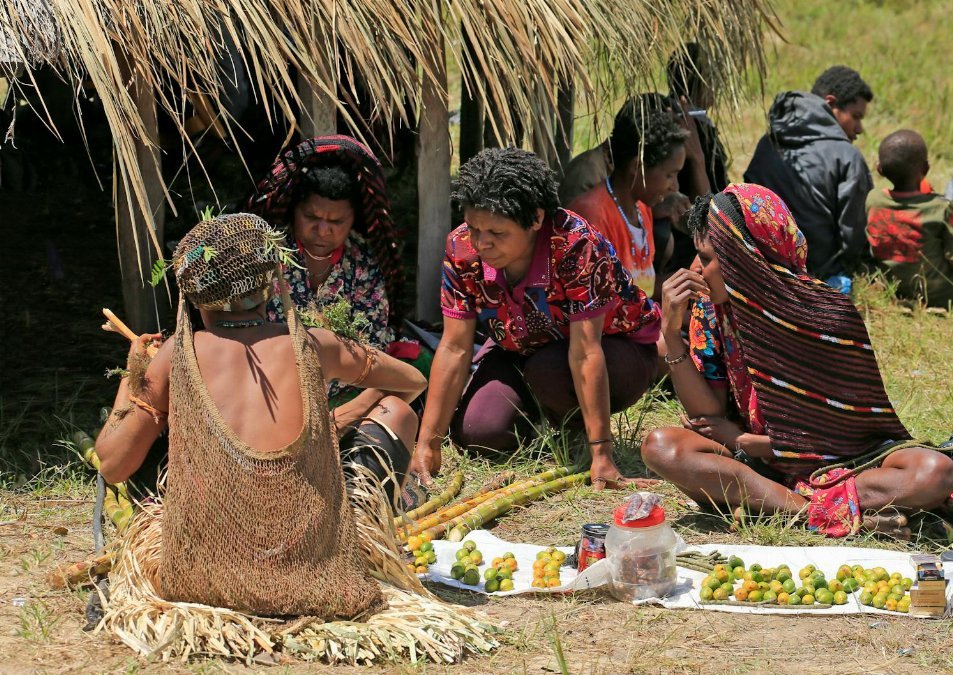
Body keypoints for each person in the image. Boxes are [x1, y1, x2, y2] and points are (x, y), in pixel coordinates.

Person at [93, 213, 427, 617]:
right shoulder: (315, 345)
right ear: (271, 283)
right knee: (399, 413)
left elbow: (112, 464)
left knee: (151, 428)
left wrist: (134, 378)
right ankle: (363, 541)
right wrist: (337, 418)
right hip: (311, 566)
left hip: (206, 575)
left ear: (194, 298)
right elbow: (412, 381)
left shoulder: (174, 357)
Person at [412, 148, 662, 490]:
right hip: (522, 346)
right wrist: (427, 443)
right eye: (474, 228)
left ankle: (577, 427)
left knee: (548, 369)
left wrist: (602, 455)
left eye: (497, 234)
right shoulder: (462, 249)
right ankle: (542, 416)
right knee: (478, 432)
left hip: (613, 349)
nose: (482, 243)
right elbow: (455, 347)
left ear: (535, 220)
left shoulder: (575, 245)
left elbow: (586, 351)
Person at [248, 135, 411, 367]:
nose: (323, 231)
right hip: (275, 375)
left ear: (353, 219)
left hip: (344, 377)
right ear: (294, 211)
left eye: (336, 221)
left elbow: (371, 341)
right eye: (311, 217)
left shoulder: (363, 262)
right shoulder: (267, 254)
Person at [743, 66, 875, 294]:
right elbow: (852, 233)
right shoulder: (847, 156)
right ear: (831, 103)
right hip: (817, 275)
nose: (859, 128)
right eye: (856, 116)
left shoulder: (768, 141)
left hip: (757, 269)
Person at [568, 107, 687, 298]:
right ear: (637, 167)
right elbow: (592, 307)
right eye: (669, 175)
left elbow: (638, 290)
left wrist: (684, 282)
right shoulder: (591, 217)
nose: (675, 186)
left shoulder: (641, 210)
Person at [866, 129, 953, 309]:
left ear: (879, 169)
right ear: (925, 168)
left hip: (892, 288)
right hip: (941, 294)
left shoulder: (873, 200)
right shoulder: (940, 208)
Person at [665, 42, 731, 273]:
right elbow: (712, 203)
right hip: (691, 240)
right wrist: (698, 158)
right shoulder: (696, 129)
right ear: (703, 84)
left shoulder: (671, 119)